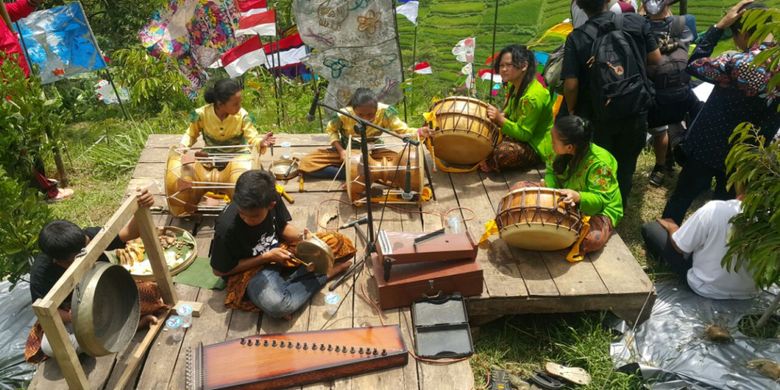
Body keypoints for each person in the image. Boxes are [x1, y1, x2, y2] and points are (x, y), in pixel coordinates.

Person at [662, 0, 779, 224]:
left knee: (683, 196)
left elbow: (694, 64)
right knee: (725, 208)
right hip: (747, 154)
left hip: (709, 145)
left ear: (742, 32)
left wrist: (719, 27)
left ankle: (667, 239)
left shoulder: (737, 62)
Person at [24, 189, 166, 363]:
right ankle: (118, 331)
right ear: (59, 261)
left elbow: (129, 233)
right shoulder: (41, 274)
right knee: (51, 347)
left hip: (108, 292)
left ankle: (116, 327)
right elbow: (48, 313)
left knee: (151, 293)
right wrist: (82, 315)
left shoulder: (88, 238)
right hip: (75, 312)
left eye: (87, 245)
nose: (88, 250)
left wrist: (143, 205)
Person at [210, 170, 354, 318]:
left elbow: (282, 227)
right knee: (278, 306)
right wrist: (265, 258)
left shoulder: (273, 198)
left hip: (281, 250)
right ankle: (323, 275)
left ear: (271, 205)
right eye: (241, 213)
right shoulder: (226, 227)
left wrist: (302, 237)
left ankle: (287, 286)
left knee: (338, 241)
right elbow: (219, 271)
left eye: (254, 216)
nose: (246, 219)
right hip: (252, 270)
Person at [562, 0, 662, 206]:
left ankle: (599, 208)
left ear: (579, 7)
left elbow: (571, 85)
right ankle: (619, 207)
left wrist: (572, 110)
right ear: (610, 1)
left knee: (600, 164)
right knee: (626, 165)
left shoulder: (577, 38)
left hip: (598, 115)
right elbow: (656, 58)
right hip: (635, 108)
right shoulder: (636, 22)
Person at [512, 116, 623, 254]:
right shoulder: (559, 149)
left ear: (570, 147)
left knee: (590, 241)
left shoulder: (600, 164)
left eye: (554, 141)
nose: (550, 143)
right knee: (518, 190)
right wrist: (551, 189)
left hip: (598, 208)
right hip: (563, 194)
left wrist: (578, 196)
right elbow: (551, 171)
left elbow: (600, 201)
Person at [1, 0, 74, 202]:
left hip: (17, 80)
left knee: (29, 135)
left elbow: (9, 12)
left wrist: (31, 2)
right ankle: (44, 190)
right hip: (9, 87)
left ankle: (37, 183)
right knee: (24, 140)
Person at [641, 187, 758, 299]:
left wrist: (672, 227)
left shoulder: (716, 209)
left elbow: (679, 247)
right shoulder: (772, 217)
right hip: (749, 291)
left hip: (705, 287)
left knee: (651, 229)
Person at [643, 0, 701, 186]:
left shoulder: (638, 24)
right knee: (662, 131)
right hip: (680, 90)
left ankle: (661, 165)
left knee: (653, 128)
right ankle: (663, 165)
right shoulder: (686, 22)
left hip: (651, 90)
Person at [299, 88, 416, 180]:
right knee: (306, 163)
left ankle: (362, 172)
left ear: (376, 109)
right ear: (353, 110)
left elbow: (403, 130)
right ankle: (353, 174)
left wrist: (420, 132)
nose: (365, 119)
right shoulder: (344, 114)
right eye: (360, 115)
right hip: (348, 150)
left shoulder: (384, 112)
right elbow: (332, 130)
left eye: (370, 115)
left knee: (405, 165)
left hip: (373, 150)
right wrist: (341, 151)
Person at [477, 44, 554, 173]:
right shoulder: (516, 86)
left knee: (502, 153)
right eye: (501, 66)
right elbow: (508, 113)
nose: (503, 69)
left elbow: (525, 135)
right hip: (515, 137)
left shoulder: (533, 97)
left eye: (508, 65)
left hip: (534, 146)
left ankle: (490, 162)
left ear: (524, 66)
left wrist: (500, 119)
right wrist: (497, 117)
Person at [179, 79, 275, 156]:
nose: (240, 106)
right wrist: (182, 148)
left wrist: (261, 142)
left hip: (239, 156)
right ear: (220, 104)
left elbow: (253, 138)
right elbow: (190, 134)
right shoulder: (199, 114)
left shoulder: (244, 115)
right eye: (235, 104)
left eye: (240, 102)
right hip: (211, 157)